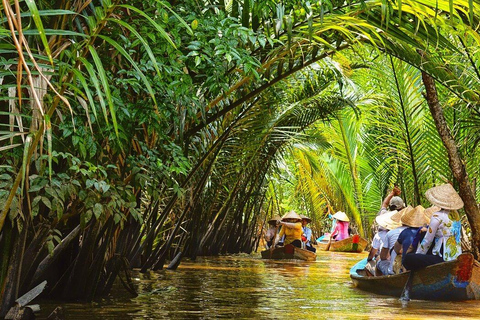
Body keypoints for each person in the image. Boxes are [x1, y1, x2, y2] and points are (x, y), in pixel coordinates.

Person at [403, 184, 464, 271]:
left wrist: (418, 256)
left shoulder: (437, 215)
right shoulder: (456, 215)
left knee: (408, 259)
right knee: (424, 233)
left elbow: (427, 240)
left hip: (442, 259)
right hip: (456, 256)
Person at [375, 207, 408, 275]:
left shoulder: (390, 233)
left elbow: (383, 257)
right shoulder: (418, 231)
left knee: (379, 260)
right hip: (410, 269)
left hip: (393, 271)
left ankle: (377, 281)